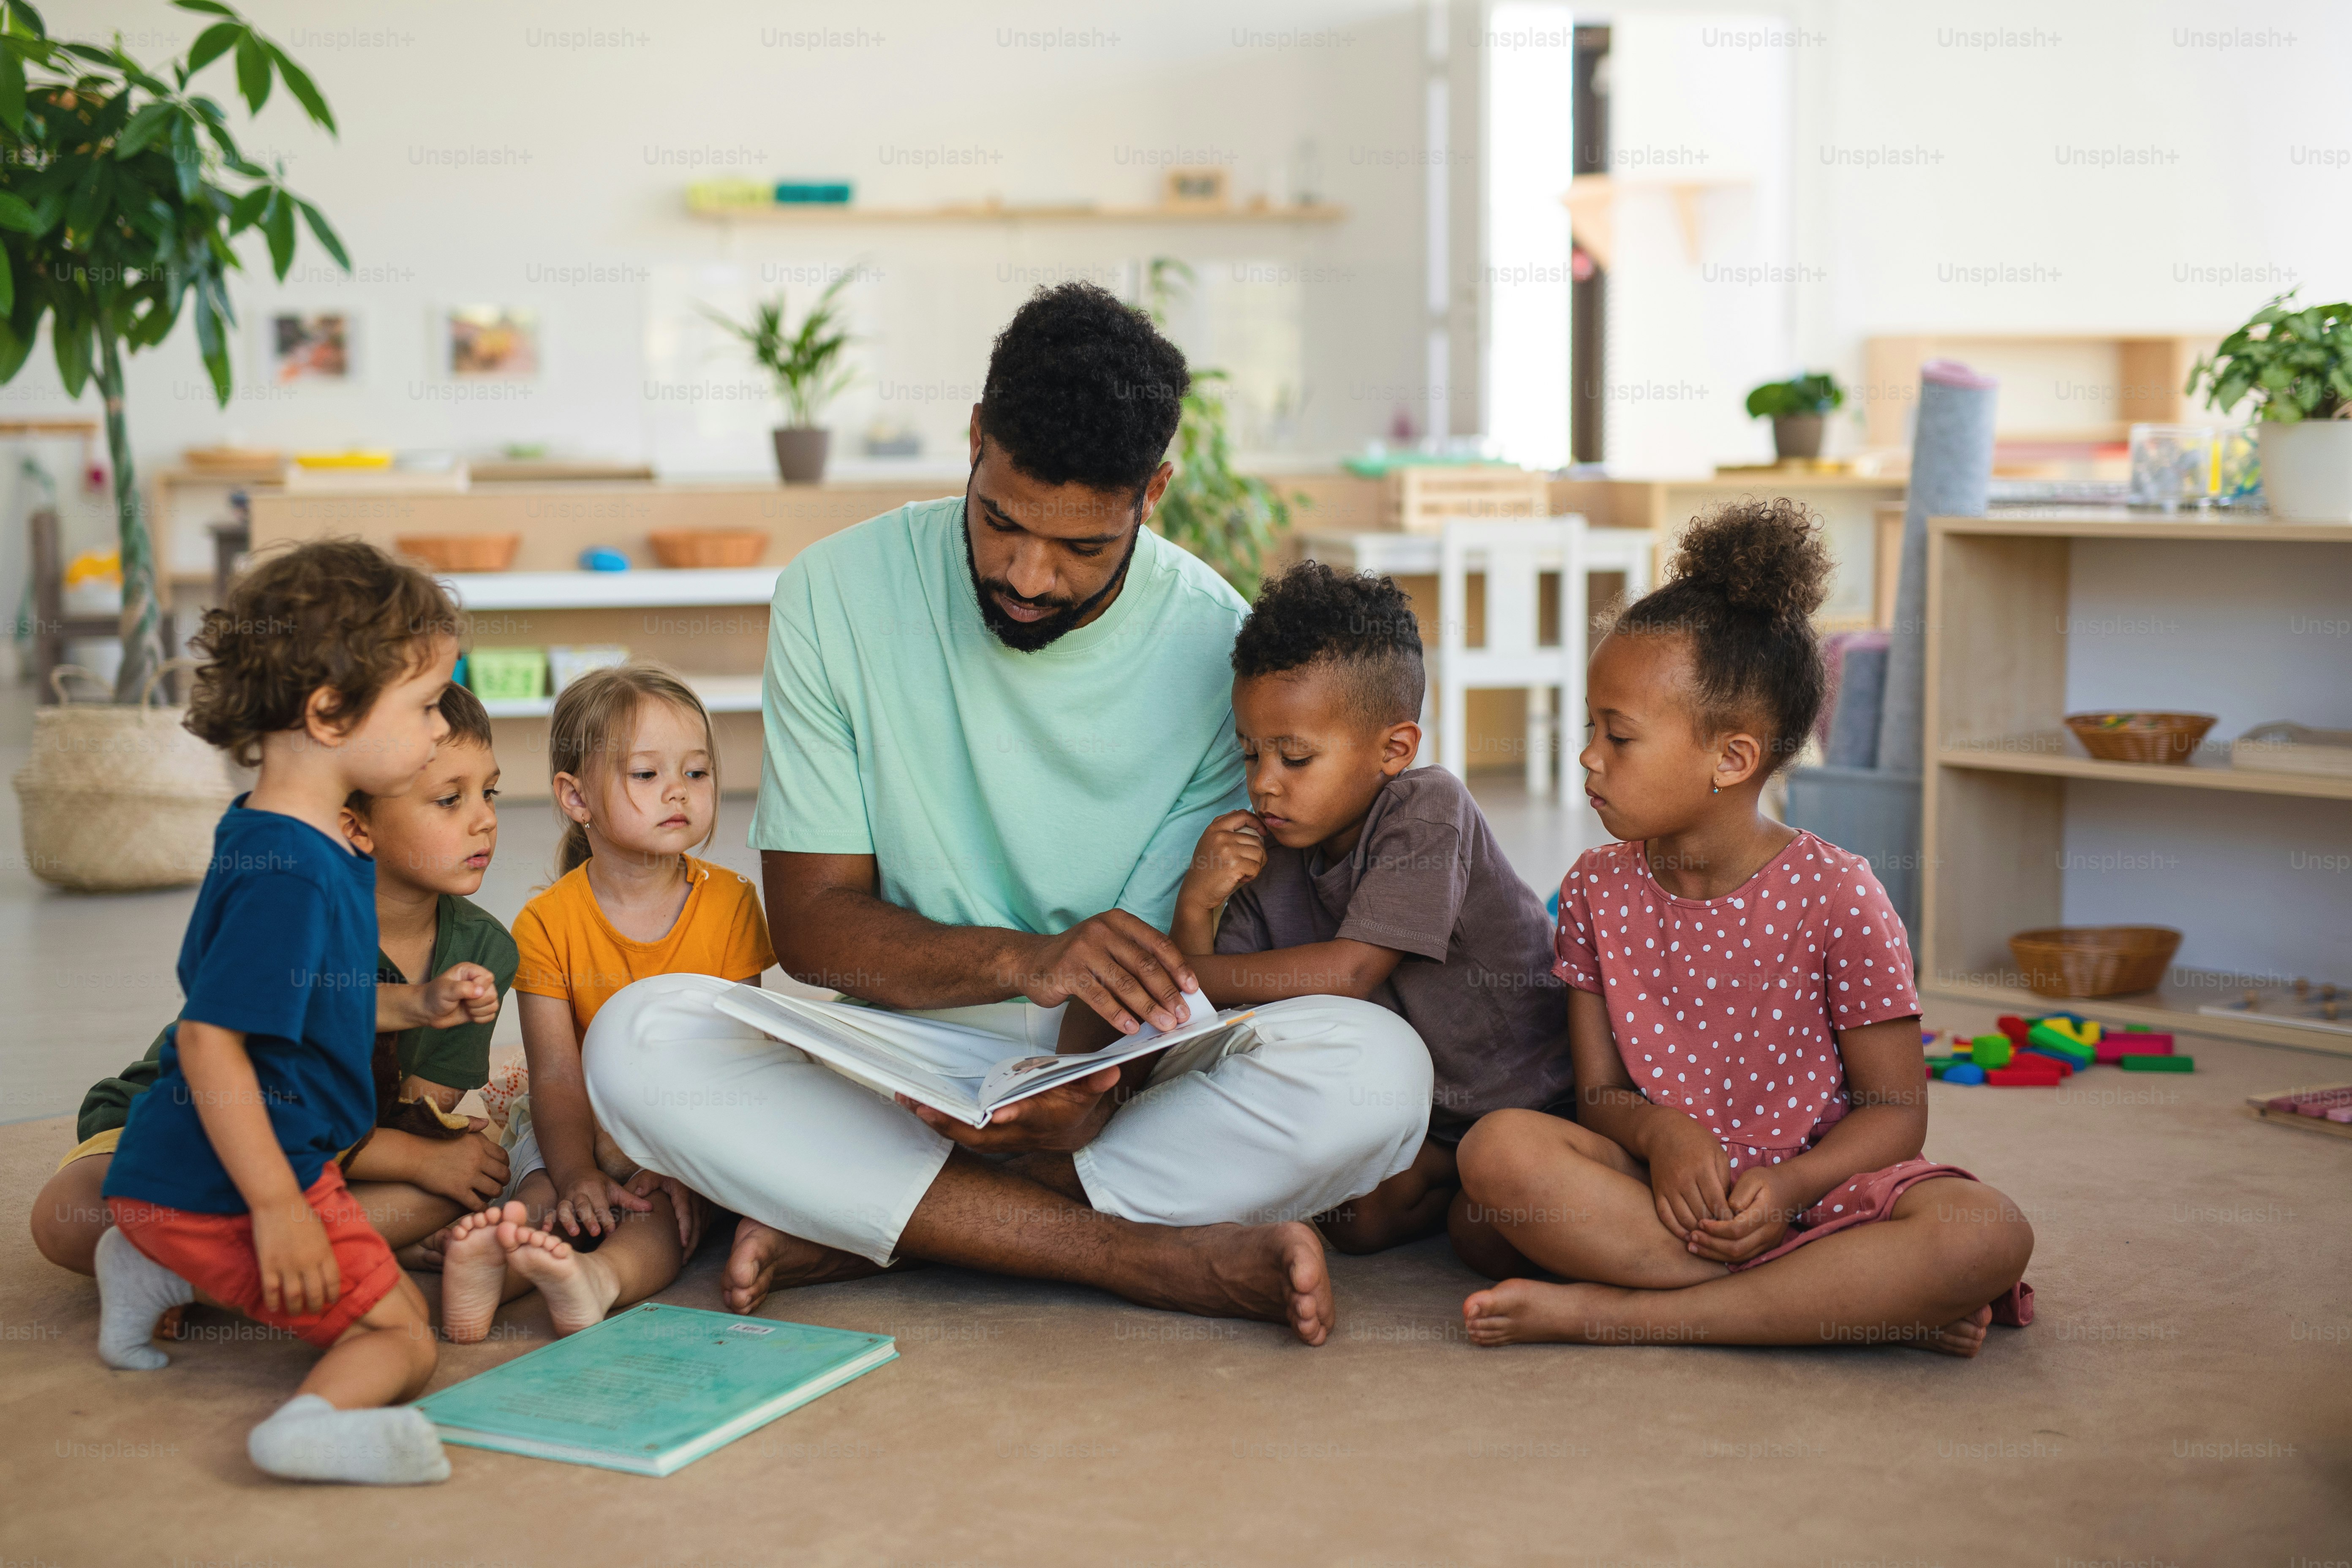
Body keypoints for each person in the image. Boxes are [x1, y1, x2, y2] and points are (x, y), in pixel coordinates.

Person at [583, 283, 1428, 1345]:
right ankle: (1131, 1253)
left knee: (1380, 1068)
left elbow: (1162, 966)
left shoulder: (1218, 647)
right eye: (1001, 521)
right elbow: (812, 927)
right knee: (639, 1037)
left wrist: (1090, 1092)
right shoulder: (833, 593)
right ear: (976, 438)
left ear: (1154, 492)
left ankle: (878, 1220)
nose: (1029, 577)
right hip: (893, 1058)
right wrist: (1031, 960)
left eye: (1082, 548)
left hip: (1113, 1065)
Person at [1449, 500, 2036, 1354]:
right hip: (1664, 1193)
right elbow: (1600, 1094)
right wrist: (1662, 1133)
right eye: (1590, 728)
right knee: (1494, 1162)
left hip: (1821, 1193)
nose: (1589, 756)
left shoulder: (1842, 895)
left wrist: (1790, 1186)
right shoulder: (1594, 889)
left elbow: (1895, 1112)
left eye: (1619, 736)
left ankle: (1620, 1313)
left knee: (1987, 1233)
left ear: (1732, 758)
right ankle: (1844, 1297)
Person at [94, 540, 462, 1485]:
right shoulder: (291, 873)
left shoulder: (286, 833)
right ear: (330, 712)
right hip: (241, 1178)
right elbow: (209, 1037)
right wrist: (279, 1211)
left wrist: (414, 1003)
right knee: (404, 1336)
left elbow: (310, 999)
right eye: (427, 705)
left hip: (201, 1165)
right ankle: (301, 1430)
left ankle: (148, 1263)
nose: (439, 729)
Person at [31, 684, 516, 1280]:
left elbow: (410, 1119)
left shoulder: (484, 951)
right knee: (68, 1215)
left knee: (464, 1179)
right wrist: (418, 1161)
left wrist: (428, 1161)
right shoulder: (291, 915)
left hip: (333, 1155)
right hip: (193, 1130)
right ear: (355, 824)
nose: (486, 820)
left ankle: (200, 1270)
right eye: (449, 800)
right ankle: (280, 1260)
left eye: (489, 793)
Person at [1168, 563, 1569, 1254]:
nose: (1264, 785)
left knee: (1492, 1234)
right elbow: (1212, 1019)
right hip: (1422, 1120)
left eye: (1296, 759)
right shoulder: (1272, 852)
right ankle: (1455, 1181)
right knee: (1356, 1223)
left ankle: (1481, 1185)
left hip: (1538, 1100)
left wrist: (1179, 974)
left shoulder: (1428, 809)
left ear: (1394, 750)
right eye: (1251, 754)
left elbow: (1350, 972)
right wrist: (1197, 903)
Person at [435, 663, 773, 1343]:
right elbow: (557, 1077)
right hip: (577, 1122)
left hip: (687, 1123)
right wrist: (577, 1173)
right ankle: (491, 1272)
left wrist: (679, 1161)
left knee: (660, 1214)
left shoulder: (734, 902)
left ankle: (598, 1280)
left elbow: (745, 1062)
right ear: (576, 797)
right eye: (647, 774)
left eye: (697, 772)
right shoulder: (545, 923)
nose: (678, 790)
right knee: (545, 1197)